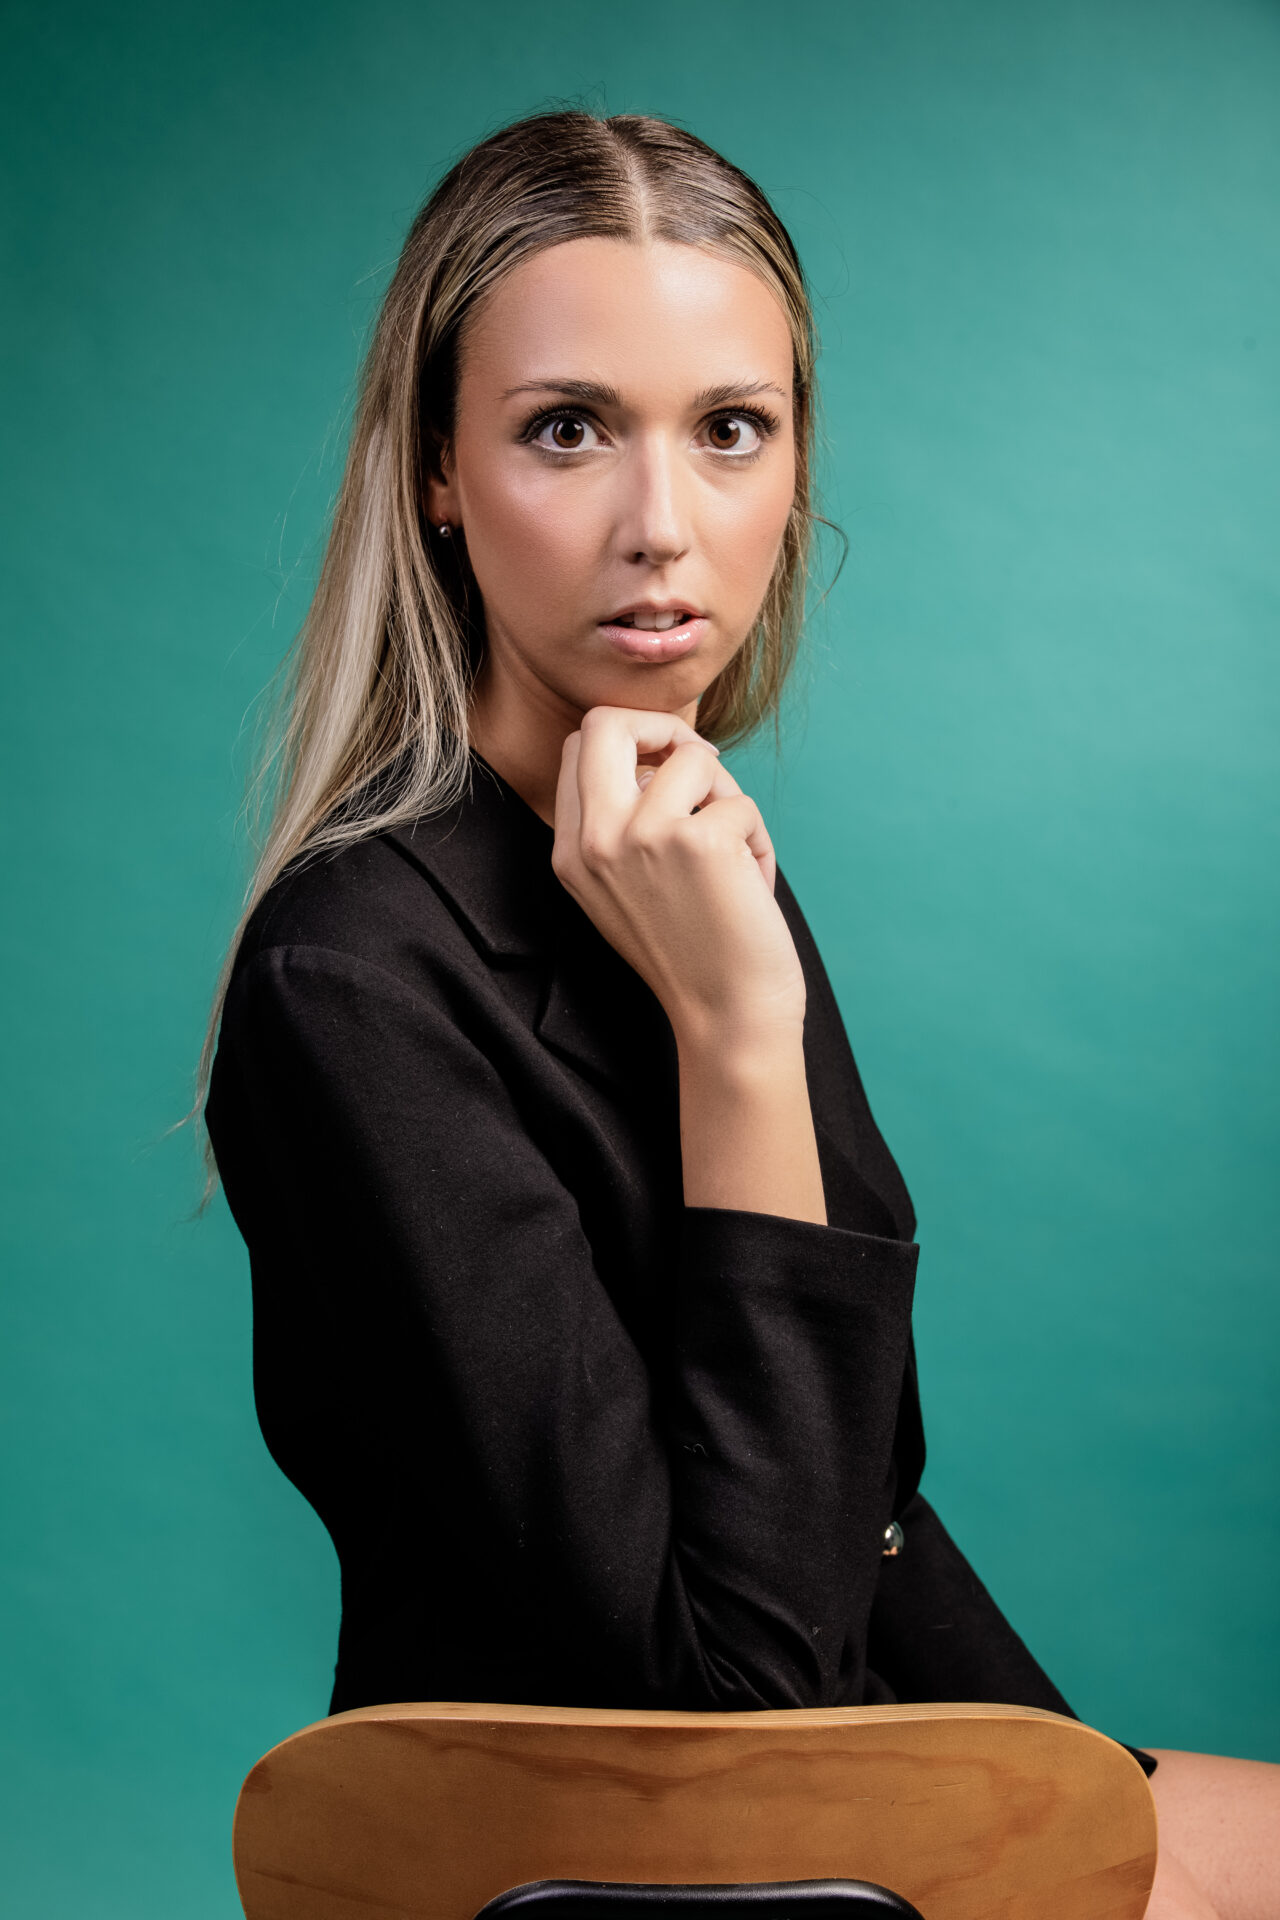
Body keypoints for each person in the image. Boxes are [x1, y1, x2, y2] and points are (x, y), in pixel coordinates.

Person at [194, 110, 1277, 1920]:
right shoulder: (352, 979)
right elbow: (727, 1711)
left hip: (859, 1767)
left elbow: (862, 1507)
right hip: (610, 1857)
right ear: (435, 474)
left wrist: (1076, 1804)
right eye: (565, 430)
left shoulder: (694, 862)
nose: (661, 527)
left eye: (729, 430)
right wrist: (739, 1041)